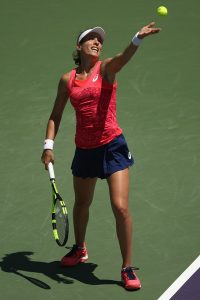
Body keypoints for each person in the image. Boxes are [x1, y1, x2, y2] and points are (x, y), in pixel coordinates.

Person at [41, 23, 160, 290]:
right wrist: (48, 145)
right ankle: (80, 249)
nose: (97, 42)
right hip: (84, 150)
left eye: (99, 40)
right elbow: (55, 115)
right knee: (82, 204)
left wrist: (136, 40)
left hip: (112, 147)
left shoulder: (105, 69)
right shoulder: (67, 80)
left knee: (120, 207)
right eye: (90, 39)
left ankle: (127, 267)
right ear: (79, 47)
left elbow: (121, 59)